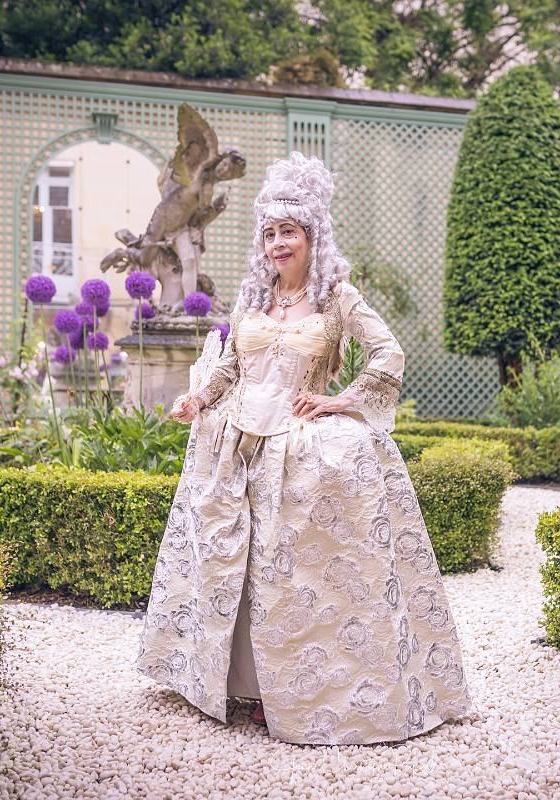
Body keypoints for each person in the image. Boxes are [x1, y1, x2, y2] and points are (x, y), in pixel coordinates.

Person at [135, 151, 478, 745]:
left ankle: (293, 693)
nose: (276, 244)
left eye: (288, 232)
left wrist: (341, 401)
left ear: (312, 236)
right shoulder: (254, 298)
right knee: (232, 562)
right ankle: (234, 682)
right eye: (269, 233)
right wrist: (198, 399)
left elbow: (389, 353)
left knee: (289, 575)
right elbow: (233, 369)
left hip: (298, 450)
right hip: (236, 444)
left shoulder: (337, 297)